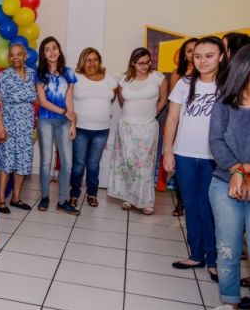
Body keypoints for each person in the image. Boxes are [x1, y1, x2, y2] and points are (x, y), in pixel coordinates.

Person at [164, 37, 226, 281]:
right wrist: (168, 150)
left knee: (209, 208)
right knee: (191, 206)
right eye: (198, 56)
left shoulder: (229, 85)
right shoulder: (184, 83)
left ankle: (214, 259)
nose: (202, 60)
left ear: (221, 57)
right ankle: (196, 254)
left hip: (216, 159)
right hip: (185, 155)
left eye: (209, 55)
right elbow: (171, 119)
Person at [205, 44, 250, 310]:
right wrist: (234, 170)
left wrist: (244, 171)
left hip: (239, 176)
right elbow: (216, 142)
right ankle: (230, 305)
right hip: (224, 184)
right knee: (228, 248)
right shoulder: (224, 104)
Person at [107, 47, 168, 214]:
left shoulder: (158, 78)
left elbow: (163, 98)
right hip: (126, 126)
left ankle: (146, 201)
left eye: (148, 62)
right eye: (141, 63)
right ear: (133, 63)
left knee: (144, 165)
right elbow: (121, 101)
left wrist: (155, 111)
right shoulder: (124, 80)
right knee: (128, 163)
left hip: (148, 126)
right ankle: (128, 197)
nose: (146, 65)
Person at [35, 36, 79, 215]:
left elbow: (69, 99)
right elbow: (43, 102)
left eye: (54, 48)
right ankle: (45, 196)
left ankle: (62, 201)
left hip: (64, 123)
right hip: (45, 120)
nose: (52, 52)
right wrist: (64, 112)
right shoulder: (39, 74)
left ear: (59, 50)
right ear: (43, 54)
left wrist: (73, 123)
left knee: (67, 163)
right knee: (46, 161)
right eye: (47, 49)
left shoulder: (68, 73)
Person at [70, 47, 117, 208]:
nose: (92, 63)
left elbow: (112, 97)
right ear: (83, 61)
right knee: (78, 164)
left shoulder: (109, 78)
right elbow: (67, 99)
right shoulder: (75, 77)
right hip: (81, 128)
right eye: (88, 60)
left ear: (99, 61)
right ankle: (74, 193)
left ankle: (92, 194)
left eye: (95, 59)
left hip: (102, 129)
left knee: (93, 164)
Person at [0, 43, 36, 213]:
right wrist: (0, 125)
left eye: (19, 54)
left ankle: (16, 198)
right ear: (9, 58)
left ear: (25, 56)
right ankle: (1, 199)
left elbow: (36, 98)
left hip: (26, 124)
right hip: (9, 123)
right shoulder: (4, 76)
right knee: (7, 161)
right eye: (12, 55)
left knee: (23, 161)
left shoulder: (33, 74)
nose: (16, 57)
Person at [169, 38, 197, 216]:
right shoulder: (177, 75)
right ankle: (181, 201)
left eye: (195, 50)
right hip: (181, 126)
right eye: (189, 51)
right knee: (182, 169)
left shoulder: (215, 76)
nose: (193, 54)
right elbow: (174, 107)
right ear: (184, 55)